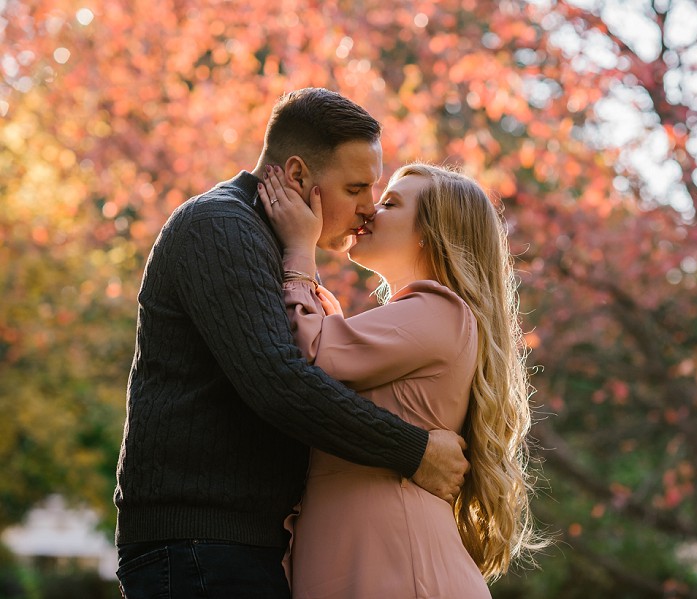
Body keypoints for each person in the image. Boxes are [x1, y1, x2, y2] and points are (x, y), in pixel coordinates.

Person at [113, 89, 469, 599]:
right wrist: (413, 451)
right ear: (299, 176)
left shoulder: (267, 240)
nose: (368, 208)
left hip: (236, 544)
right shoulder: (221, 227)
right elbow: (277, 382)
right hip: (199, 545)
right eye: (356, 188)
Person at [258, 162, 541, 598]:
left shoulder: (438, 311)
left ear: (434, 231)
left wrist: (299, 250)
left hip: (399, 568)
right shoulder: (420, 320)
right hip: (373, 557)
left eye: (390, 203)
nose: (370, 210)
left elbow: (306, 357)